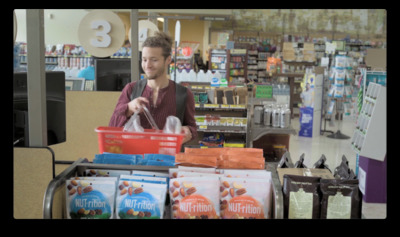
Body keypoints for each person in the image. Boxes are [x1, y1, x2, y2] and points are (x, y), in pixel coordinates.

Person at [109, 31, 197, 144]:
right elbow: (112, 126)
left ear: (168, 60)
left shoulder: (183, 94)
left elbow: (192, 127)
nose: (147, 65)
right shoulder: (131, 89)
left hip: (167, 158)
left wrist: (188, 131)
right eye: (145, 59)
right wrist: (128, 108)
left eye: (154, 60)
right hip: (135, 158)